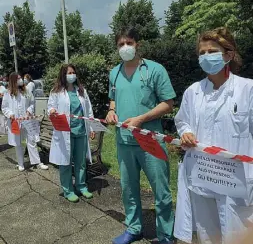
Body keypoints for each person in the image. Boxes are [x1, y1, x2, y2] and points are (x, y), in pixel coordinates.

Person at [174, 27, 253, 244]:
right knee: (208, 234)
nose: (206, 56)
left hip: (237, 180)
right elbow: (182, 120)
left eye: (212, 51)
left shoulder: (248, 89)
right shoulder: (193, 91)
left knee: (238, 236)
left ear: (228, 55)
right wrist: (186, 132)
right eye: (202, 53)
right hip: (203, 175)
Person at [106, 27, 176, 244]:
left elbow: (168, 104)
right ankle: (134, 228)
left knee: (161, 191)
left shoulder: (154, 70)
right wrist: (110, 111)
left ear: (138, 44)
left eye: (129, 43)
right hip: (124, 141)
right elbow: (113, 99)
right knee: (128, 189)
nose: (125, 47)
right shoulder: (114, 73)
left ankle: (165, 235)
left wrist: (141, 119)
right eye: (120, 44)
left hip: (150, 140)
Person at [48, 64, 95, 203]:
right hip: (64, 133)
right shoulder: (56, 91)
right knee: (65, 163)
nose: (72, 75)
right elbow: (50, 106)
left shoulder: (81, 91)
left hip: (81, 131)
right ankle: (68, 190)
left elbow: (88, 110)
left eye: (73, 72)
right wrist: (52, 111)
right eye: (69, 72)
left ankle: (81, 186)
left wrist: (91, 127)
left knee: (80, 162)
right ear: (63, 75)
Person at [1, 72, 48, 171]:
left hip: (27, 120)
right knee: (18, 143)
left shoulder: (26, 91)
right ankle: (21, 163)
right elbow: (4, 107)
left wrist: (29, 111)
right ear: (13, 81)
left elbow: (32, 103)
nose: (21, 80)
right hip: (15, 122)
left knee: (31, 141)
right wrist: (10, 114)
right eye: (18, 78)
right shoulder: (7, 93)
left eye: (20, 78)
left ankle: (37, 162)